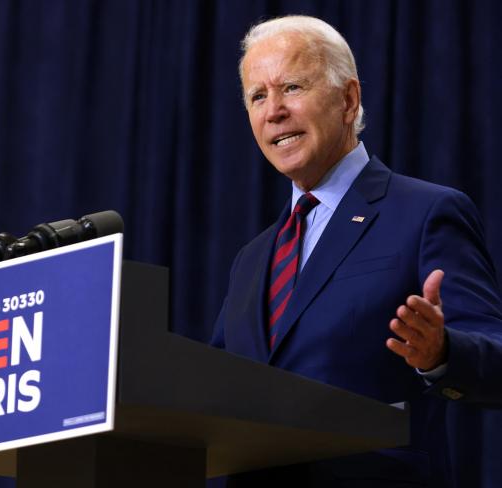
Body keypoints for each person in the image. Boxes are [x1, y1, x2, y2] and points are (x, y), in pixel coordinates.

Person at [211, 15, 502, 488]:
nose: (274, 111)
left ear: (348, 100)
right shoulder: (252, 258)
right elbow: (211, 388)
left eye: (291, 87)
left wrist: (442, 352)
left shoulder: (426, 212)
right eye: (257, 97)